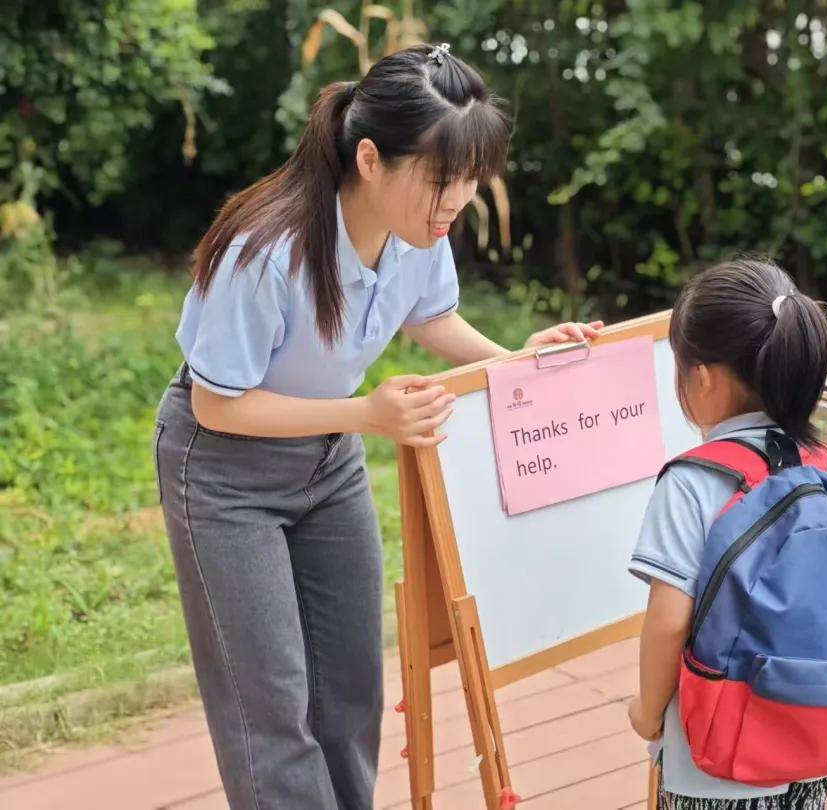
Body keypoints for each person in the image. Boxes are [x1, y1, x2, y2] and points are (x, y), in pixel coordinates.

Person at [153, 43, 600, 810]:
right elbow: (216, 404)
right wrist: (367, 414)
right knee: (270, 705)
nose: (457, 198)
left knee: (352, 690)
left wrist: (514, 361)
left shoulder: (420, 233)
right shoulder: (267, 249)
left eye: (469, 178)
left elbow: (433, 317)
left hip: (329, 461)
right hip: (224, 470)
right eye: (441, 177)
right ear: (370, 158)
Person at [627, 257, 827, 810]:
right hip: (811, 734)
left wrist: (648, 711)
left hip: (715, 757)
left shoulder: (692, 482)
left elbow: (670, 620)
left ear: (700, 377)